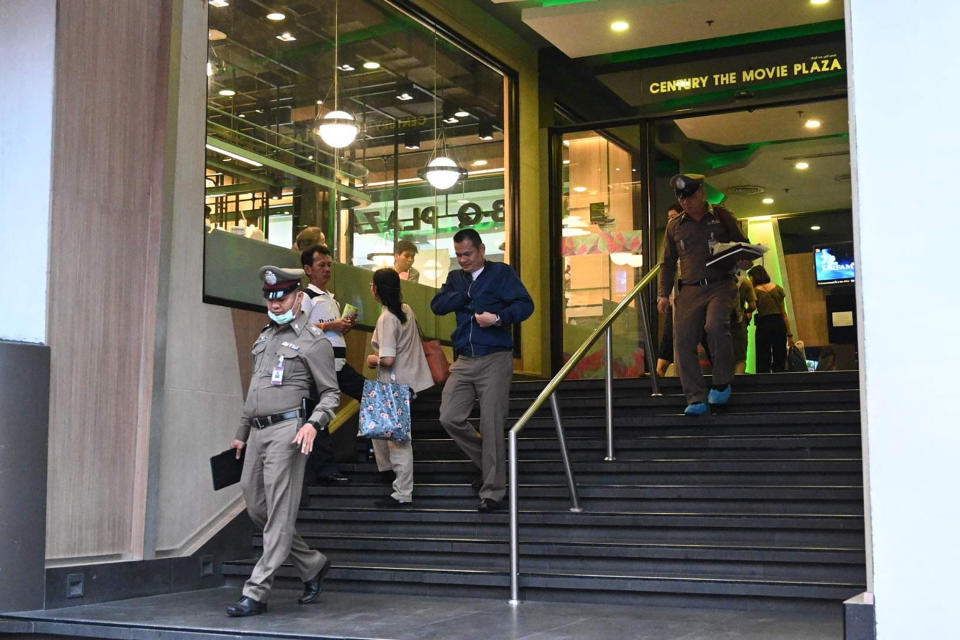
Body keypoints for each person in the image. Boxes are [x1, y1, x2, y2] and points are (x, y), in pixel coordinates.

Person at [225, 265, 340, 617]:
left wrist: (313, 424)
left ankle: (256, 591)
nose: (275, 305)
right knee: (257, 506)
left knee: (278, 512)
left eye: (283, 297)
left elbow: (331, 394)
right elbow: (255, 390)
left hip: (288, 433)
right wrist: (241, 433)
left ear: (299, 297)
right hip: (257, 433)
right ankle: (312, 562)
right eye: (271, 298)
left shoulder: (313, 341)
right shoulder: (265, 338)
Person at [431, 228, 534, 512]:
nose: (463, 260)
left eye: (468, 254)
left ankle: (493, 490)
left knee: (491, 424)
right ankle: (493, 467)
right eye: (459, 255)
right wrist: (465, 296)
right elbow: (437, 305)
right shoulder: (456, 279)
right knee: (449, 416)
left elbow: (526, 305)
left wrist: (499, 318)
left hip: (495, 358)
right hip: (464, 359)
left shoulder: (501, 273)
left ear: (481, 250)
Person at [657, 174, 750, 416]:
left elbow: (743, 245)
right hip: (690, 288)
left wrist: (744, 260)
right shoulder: (674, 226)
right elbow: (667, 263)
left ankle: (720, 383)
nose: (685, 202)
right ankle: (696, 398)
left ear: (701, 193)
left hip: (721, 284)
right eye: (681, 197)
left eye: (689, 196)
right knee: (683, 339)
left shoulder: (721, 217)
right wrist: (663, 295)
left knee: (715, 326)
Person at [300, 245, 369, 486]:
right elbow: (298, 330)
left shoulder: (330, 299)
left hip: (338, 363)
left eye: (329, 264)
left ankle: (371, 444)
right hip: (320, 367)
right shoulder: (306, 298)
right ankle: (326, 469)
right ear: (308, 269)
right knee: (320, 415)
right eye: (322, 265)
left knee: (370, 394)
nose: (328, 269)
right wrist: (331, 325)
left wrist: (342, 327)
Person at [365, 268, 434, 507]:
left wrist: (372, 359)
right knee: (383, 433)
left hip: (394, 385)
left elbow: (388, 359)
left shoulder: (387, 319)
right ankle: (387, 472)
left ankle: (402, 491)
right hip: (411, 381)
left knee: (397, 440)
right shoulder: (406, 310)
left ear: (377, 289)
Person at [748, 264, 794, 373]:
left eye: (750, 277)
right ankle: (779, 382)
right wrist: (790, 335)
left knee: (763, 357)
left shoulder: (754, 291)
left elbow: (752, 308)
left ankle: (764, 384)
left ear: (754, 277)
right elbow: (784, 314)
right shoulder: (778, 289)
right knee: (780, 356)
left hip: (763, 324)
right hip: (779, 324)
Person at [656, 204, 682, 378]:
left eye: (674, 216)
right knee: (668, 337)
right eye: (669, 217)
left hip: (692, 298)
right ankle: (659, 372)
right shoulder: (669, 241)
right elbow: (666, 265)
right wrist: (663, 295)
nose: (671, 220)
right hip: (675, 301)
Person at [732, 261, 758, 374]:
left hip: (721, 324)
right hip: (739, 323)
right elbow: (753, 305)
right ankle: (739, 387)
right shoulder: (746, 283)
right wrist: (746, 312)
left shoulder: (721, 281)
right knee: (740, 359)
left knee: (723, 358)